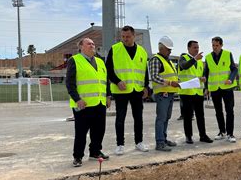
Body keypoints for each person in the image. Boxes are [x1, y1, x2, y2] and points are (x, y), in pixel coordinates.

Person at [66, 38, 110, 167]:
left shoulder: (100, 62)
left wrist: (108, 96)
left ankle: (95, 152)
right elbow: (70, 83)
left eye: (93, 43)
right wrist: (77, 99)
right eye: (89, 43)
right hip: (83, 104)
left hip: (100, 102)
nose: (92, 45)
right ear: (81, 47)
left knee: (99, 130)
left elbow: (105, 81)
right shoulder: (74, 60)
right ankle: (78, 156)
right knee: (81, 132)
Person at [106, 26, 149, 155]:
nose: (125, 39)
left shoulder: (142, 51)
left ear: (134, 36)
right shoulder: (115, 49)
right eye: (123, 37)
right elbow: (108, 69)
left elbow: (144, 71)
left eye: (128, 36)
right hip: (121, 91)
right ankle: (120, 144)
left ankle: (139, 142)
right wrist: (117, 81)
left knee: (138, 117)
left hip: (137, 89)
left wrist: (146, 86)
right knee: (120, 118)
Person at [178, 40, 214, 144]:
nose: (197, 49)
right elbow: (184, 66)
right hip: (187, 92)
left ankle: (203, 135)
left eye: (198, 47)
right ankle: (188, 136)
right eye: (194, 47)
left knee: (200, 116)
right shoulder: (183, 57)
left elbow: (199, 75)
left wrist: (203, 80)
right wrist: (194, 59)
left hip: (198, 92)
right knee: (188, 116)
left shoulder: (198, 61)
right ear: (188, 48)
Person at [148, 36, 180, 151]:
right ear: (161, 48)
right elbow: (155, 77)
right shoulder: (156, 59)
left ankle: (164, 139)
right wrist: (171, 82)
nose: (170, 52)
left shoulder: (168, 61)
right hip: (163, 93)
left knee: (166, 117)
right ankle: (160, 142)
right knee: (161, 118)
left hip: (170, 93)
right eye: (168, 49)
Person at [204, 36, 238, 143]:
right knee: (218, 112)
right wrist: (206, 88)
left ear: (221, 45)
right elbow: (206, 73)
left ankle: (230, 134)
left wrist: (231, 79)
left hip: (227, 88)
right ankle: (222, 132)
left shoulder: (228, 54)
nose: (214, 47)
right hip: (215, 89)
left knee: (229, 111)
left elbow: (234, 69)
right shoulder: (208, 57)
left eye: (217, 45)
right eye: (213, 45)